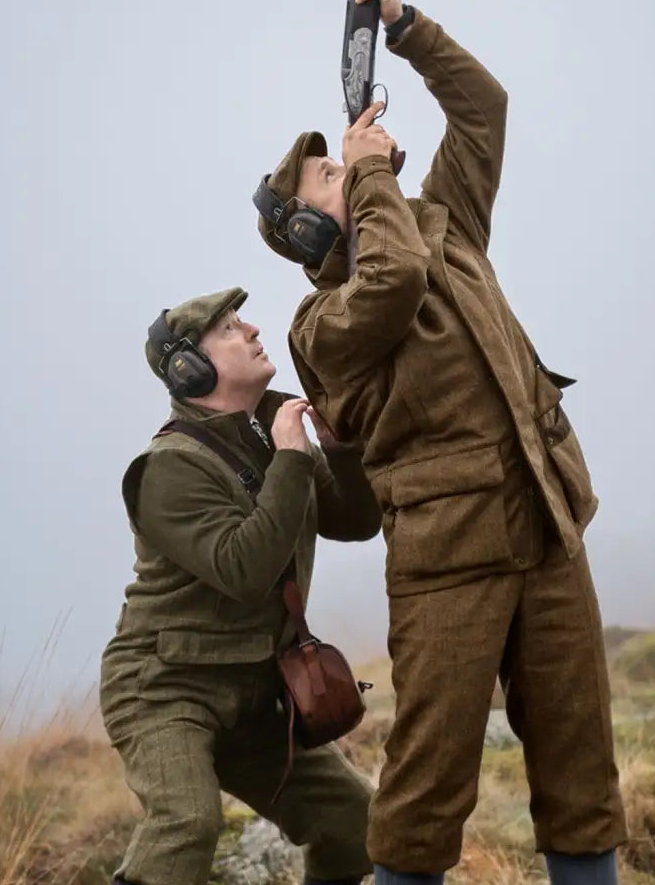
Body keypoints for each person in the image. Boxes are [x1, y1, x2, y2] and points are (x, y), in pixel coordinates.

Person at [253, 0, 627, 885]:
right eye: (330, 180)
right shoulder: (319, 323)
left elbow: (483, 108)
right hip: (448, 560)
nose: (351, 166)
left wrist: (407, 28)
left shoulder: (443, 222)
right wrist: (374, 179)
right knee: (424, 804)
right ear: (305, 232)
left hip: (546, 528)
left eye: (341, 164)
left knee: (583, 782)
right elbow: (390, 283)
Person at [99, 287, 381, 885]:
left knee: (356, 820)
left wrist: (338, 448)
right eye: (228, 328)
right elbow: (243, 570)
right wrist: (293, 458)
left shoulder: (270, 434)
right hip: (165, 690)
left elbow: (355, 523)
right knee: (188, 823)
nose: (252, 329)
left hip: (254, 692)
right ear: (189, 367)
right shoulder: (168, 467)